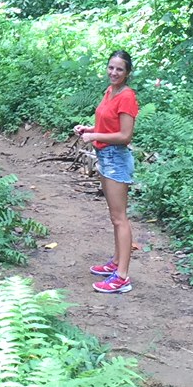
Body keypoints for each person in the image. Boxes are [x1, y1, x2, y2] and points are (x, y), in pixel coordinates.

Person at [72, 49, 139, 294]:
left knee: (120, 218)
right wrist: (89, 129)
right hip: (104, 155)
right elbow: (107, 124)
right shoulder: (111, 91)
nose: (114, 72)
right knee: (114, 216)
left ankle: (122, 277)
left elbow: (124, 136)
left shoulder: (127, 96)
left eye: (119, 69)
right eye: (111, 67)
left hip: (116, 159)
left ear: (127, 72)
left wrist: (94, 136)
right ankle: (116, 262)